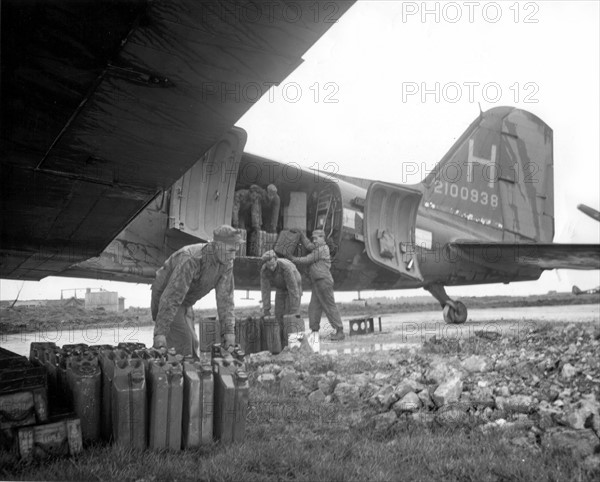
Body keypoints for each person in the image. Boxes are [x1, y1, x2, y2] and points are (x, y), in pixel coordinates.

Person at [151, 225, 243, 356]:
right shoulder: (191, 258)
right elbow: (172, 296)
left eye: (236, 251)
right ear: (217, 245)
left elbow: (226, 299)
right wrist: (160, 333)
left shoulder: (226, 263)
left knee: (193, 343)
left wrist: (229, 331)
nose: (233, 256)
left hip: (185, 301)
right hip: (165, 299)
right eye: (230, 250)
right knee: (183, 345)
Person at [288, 229, 345, 341]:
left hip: (323, 281)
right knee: (314, 307)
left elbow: (308, 259)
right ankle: (314, 331)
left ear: (323, 238)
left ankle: (339, 331)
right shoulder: (317, 248)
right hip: (317, 283)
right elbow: (309, 246)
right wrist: (302, 235)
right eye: (313, 238)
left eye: (316, 238)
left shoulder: (323, 249)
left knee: (329, 306)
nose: (314, 241)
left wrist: (293, 259)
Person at [260, 250, 302, 326]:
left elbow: (293, 289)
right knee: (278, 315)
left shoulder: (285, 267)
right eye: (269, 266)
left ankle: (294, 336)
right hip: (280, 288)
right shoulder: (264, 270)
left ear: (276, 260)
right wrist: (266, 309)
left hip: (294, 286)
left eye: (273, 265)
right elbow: (265, 290)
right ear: (266, 264)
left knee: (290, 315)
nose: (271, 268)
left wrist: (294, 309)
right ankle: (280, 336)